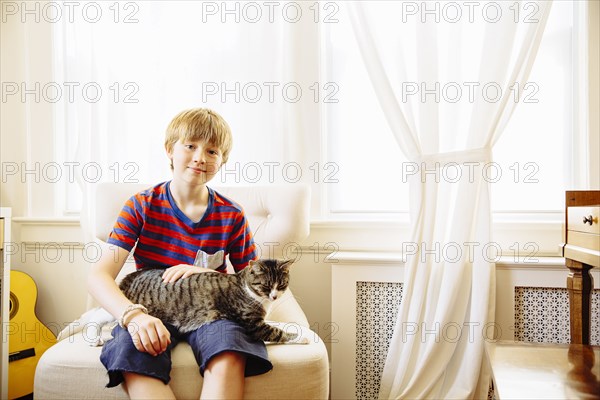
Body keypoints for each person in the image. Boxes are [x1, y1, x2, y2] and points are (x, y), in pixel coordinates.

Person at [87, 108, 269, 400]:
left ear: (222, 161)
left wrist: (207, 274)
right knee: (132, 348)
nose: (200, 157)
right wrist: (133, 316)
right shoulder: (141, 205)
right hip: (152, 307)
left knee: (230, 348)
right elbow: (98, 276)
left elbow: (256, 283)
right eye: (190, 146)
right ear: (169, 150)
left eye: (212, 151)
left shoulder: (231, 214)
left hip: (213, 312)